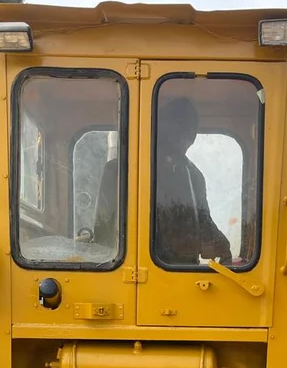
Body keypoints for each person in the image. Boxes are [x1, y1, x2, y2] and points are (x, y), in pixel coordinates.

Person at [93, 96, 231, 266]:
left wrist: (218, 242)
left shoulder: (194, 176)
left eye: (189, 133)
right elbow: (103, 233)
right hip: (123, 268)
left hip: (182, 272)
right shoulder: (116, 171)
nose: (183, 139)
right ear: (158, 130)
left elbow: (203, 221)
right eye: (176, 131)